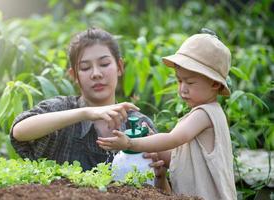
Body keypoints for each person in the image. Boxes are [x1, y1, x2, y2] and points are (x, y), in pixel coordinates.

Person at [97, 32, 237, 199]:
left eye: (190, 82)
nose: (182, 89)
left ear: (214, 84)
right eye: (179, 81)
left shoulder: (205, 114)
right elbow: (180, 159)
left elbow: (173, 139)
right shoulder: (205, 114)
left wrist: (131, 143)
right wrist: (153, 144)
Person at [10, 27, 157, 171]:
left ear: (119, 67)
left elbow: (165, 186)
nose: (96, 74)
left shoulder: (138, 124)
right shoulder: (62, 108)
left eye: (104, 64)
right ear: (74, 75)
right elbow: (19, 131)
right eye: (85, 68)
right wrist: (86, 113)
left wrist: (160, 175)